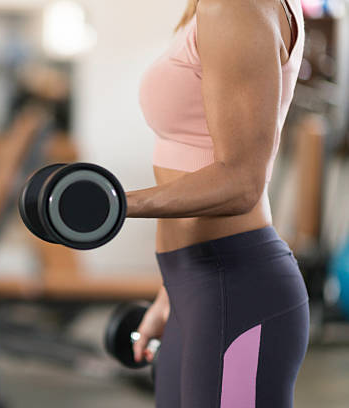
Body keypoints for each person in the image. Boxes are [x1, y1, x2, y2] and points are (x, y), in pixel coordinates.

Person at [127, 0, 309, 407]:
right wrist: (168, 295)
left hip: (237, 287)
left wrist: (113, 205)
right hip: (192, 285)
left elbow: (242, 181)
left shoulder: (238, 5)